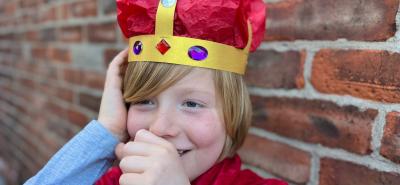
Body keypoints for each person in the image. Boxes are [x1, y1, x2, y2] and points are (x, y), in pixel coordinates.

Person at [25, 0, 288, 184]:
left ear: (233, 114)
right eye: (144, 100)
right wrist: (108, 130)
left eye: (192, 104)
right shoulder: (113, 181)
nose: (161, 128)